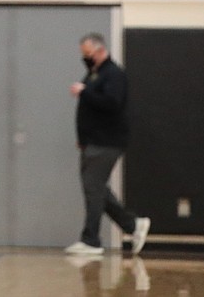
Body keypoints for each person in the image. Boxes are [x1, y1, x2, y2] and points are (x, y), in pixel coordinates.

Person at [65, 32, 151, 256]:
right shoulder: (95, 74)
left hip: (107, 142)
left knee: (93, 187)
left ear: (100, 50)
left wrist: (86, 91)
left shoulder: (113, 74)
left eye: (88, 54)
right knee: (98, 189)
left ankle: (91, 240)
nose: (85, 58)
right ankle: (133, 225)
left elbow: (112, 103)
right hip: (92, 142)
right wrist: (83, 138)